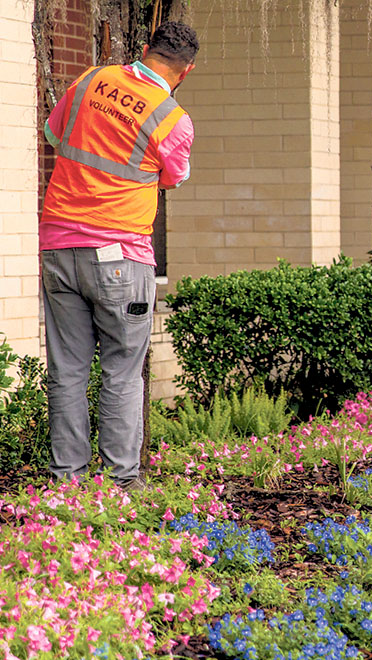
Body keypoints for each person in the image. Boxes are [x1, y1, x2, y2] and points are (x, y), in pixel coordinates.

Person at [40, 22, 199, 490]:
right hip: (121, 256)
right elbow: (175, 177)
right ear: (185, 72)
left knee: (67, 371)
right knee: (122, 373)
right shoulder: (173, 119)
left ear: (145, 50)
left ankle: (67, 486)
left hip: (58, 246)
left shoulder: (89, 80)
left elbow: (54, 135)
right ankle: (120, 486)